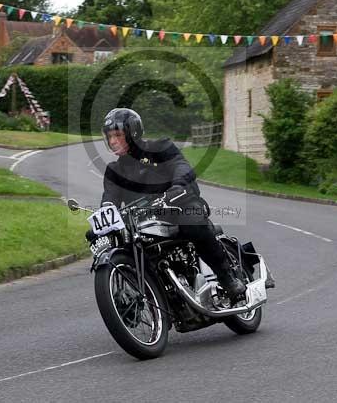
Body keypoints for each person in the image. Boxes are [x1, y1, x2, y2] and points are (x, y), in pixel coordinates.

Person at [97, 107, 246, 301]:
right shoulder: (114, 170)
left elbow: (180, 165)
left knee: (193, 225)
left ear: (133, 133)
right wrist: (103, 217)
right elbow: (110, 197)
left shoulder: (159, 147)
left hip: (179, 205)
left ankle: (227, 278)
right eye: (109, 136)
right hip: (145, 221)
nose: (113, 141)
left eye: (117, 134)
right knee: (127, 244)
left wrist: (177, 185)